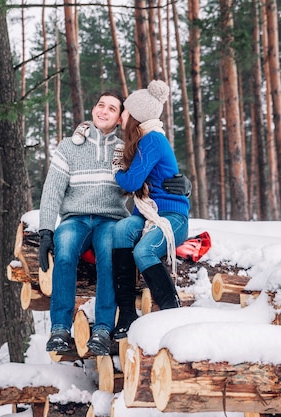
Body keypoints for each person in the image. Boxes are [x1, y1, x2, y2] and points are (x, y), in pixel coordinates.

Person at [39, 91, 191, 356]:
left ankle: (102, 329)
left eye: (113, 108)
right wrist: (45, 230)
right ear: (93, 109)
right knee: (64, 251)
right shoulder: (69, 146)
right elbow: (52, 190)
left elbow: (154, 172)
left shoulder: (127, 147)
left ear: (122, 116)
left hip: (111, 218)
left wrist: (185, 184)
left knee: (109, 256)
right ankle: (60, 329)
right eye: (100, 105)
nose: (104, 111)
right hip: (74, 218)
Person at [111, 80, 190, 340]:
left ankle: (172, 310)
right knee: (121, 229)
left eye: (124, 110)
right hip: (147, 213)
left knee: (144, 250)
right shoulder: (142, 139)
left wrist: (117, 171)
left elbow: (132, 182)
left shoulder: (153, 140)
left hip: (172, 216)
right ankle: (126, 314)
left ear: (135, 115)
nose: (122, 114)